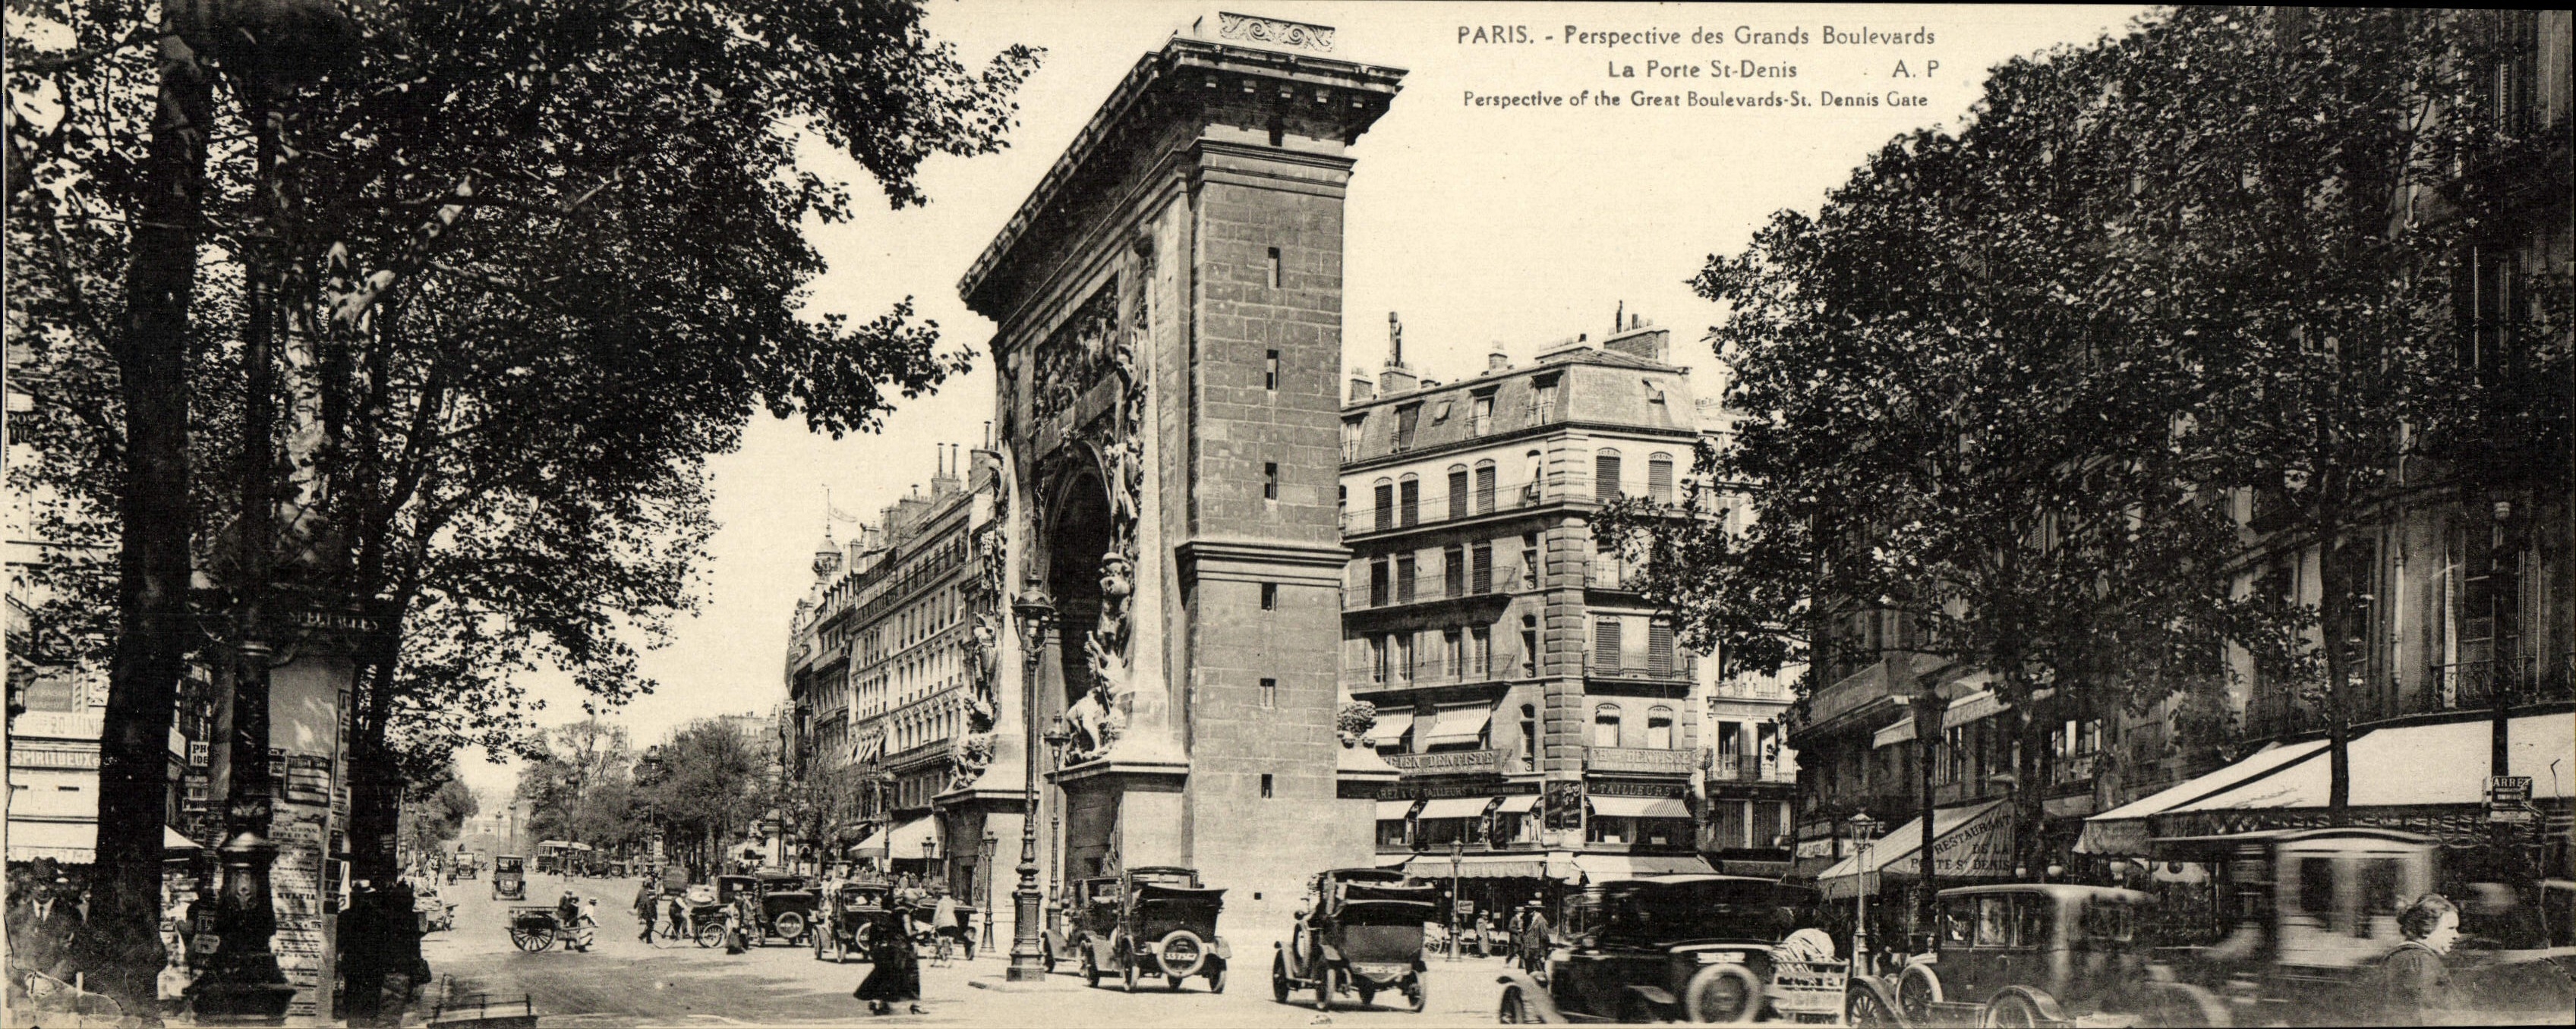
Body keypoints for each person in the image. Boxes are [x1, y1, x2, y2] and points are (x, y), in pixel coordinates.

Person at [2378, 892, 2461, 1025]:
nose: (2456, 935)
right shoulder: (2419, 961)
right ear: (2426, 928)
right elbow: (2428, 1016)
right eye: (2450, 928)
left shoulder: (2402, 956)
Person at [853, 908, 924, 1015]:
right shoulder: (905, 914)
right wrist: (922, 933)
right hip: (904, 951)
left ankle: (879, 1001)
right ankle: (916, 1005)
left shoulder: (890, 916)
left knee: (888, 977)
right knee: (911, 977)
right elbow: (909, 933)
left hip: (890, 950)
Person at [635, 877, 659, 943]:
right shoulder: (651, 891)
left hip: (643, 911)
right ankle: (643, 936)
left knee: (649, 925)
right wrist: (652, 916)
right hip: (649, 911)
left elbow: (637, 899)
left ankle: (647, 939)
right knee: (651, 925)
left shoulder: (641, 890)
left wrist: (635, 906)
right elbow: (651, 904)